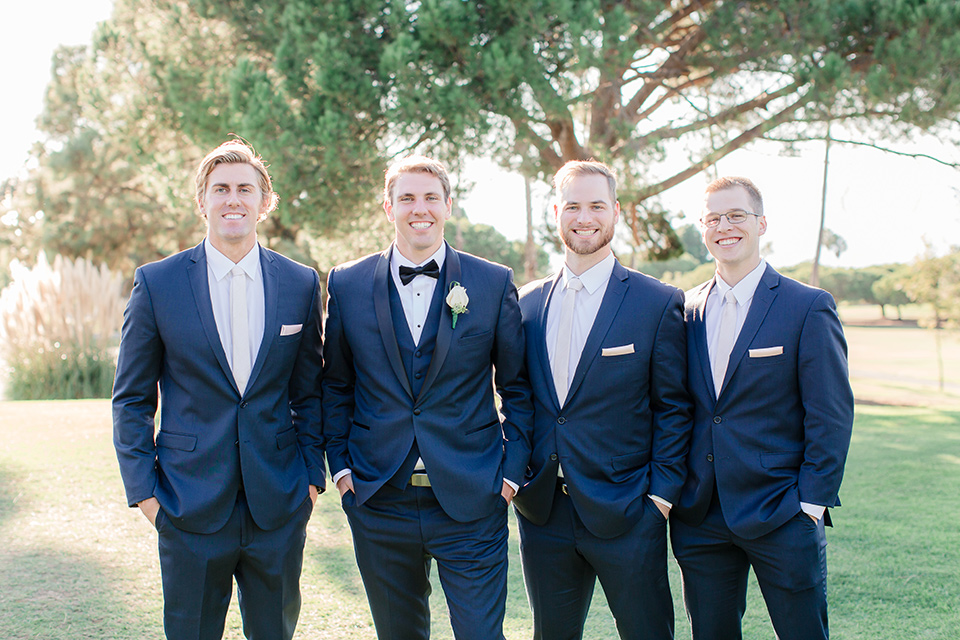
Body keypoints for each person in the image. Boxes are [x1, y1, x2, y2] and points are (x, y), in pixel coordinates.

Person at [112, 140, 325, 640]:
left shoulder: (299, 283)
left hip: (278, 504)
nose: (234, 199)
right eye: (221, 189)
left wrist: (309, 482)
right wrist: (146, 495)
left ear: (264, 202)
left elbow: (310, 392)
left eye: (245, 189)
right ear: (202, 200)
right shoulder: (157, 282)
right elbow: (132, 399)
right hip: (187, 504)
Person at [321, 155, 533, 640]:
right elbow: (336, 385)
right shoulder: (347, 283)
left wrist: (508, 476)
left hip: (473, 496)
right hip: (378, 497)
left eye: (431, 197)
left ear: (448, 205)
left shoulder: (492, 281)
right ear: (388, 207)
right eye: (408, 198)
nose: (421, 209)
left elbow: (518, 389)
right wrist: (343, 469)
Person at [512, 160, 692, 640]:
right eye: (572, 206)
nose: (584, 217)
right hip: (544, 512)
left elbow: (674, 407)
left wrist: (660, 497)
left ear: (615, 212)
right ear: (556, 212)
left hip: (630, 509)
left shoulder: (657, 302)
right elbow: (521, 401)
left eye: (596, 205)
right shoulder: (525, 304)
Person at [670, 176, 854, 640]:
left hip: (782, 512)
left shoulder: (807, 306)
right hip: (701, 516)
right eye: (714, 218)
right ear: (703, 228)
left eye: (736, 216)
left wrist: (809, 503)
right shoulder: (685, 310)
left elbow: (830, 413)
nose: (724, 226)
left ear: (761, 223)